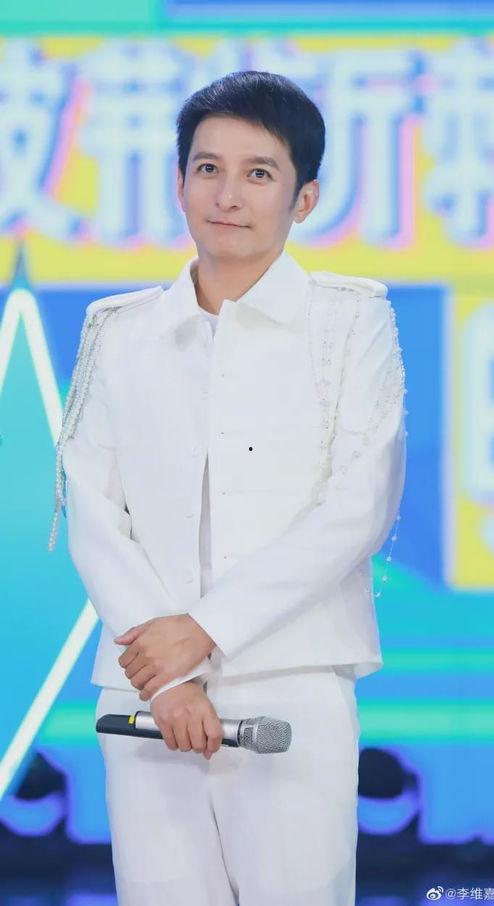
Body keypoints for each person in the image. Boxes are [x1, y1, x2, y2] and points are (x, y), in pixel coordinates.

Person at [49, 70, 407, 906]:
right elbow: (92, 509)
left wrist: (205, 632)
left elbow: (359, 503)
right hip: (144, 687)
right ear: (179, 182)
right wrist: (168, 674)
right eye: (207, 168)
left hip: (292, 671)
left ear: (304, 198)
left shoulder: (348, 323)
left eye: (259, 173)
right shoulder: (121, 332)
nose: (228, 195)